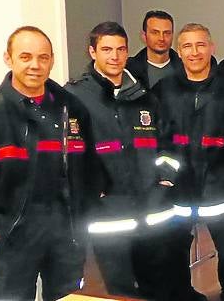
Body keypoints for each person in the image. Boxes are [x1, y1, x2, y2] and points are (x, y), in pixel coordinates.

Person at [0, 26, 94, 300]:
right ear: (8, 58)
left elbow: (88, 170)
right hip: (12, 238)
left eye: (43, 57)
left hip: (66, 237)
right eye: (25, 57)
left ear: (52, 60)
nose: (35, 65)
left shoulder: (72, 109)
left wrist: (83, 221)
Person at [65, 21, 184, 299]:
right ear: (92, 52)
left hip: (153, 211)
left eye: (120, 49)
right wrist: (93, 188)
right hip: (109, 215)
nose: (114, 57)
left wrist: (165, 178)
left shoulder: (144, 96)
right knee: (121, 291)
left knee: (158, 286)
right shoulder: (74, 97)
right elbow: (71, 153)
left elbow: (168, 142)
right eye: (106, 49)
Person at [154, 23, 224, 301]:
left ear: (212, 47)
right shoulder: (164, 89)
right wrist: (165, 175)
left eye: (200, 45)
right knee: (174, 255)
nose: (194, 52)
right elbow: (159, 139)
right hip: (178, 190)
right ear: (179, 51)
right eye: (187, 46)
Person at [126, 10, 183, 90]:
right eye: (155, 33)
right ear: (144, 36)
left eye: (167, 33)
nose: (161, 38)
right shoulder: (128, 70)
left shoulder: (185, 67)